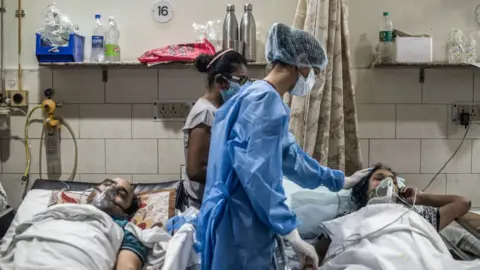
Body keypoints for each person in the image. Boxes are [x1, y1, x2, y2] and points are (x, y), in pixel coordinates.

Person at [196, 22, 371, 270]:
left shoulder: (259, 97)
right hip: (239, 225)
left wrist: (338, 180)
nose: (312, 77)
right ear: (300, 62)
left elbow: (290, 157)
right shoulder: (264, 102)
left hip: (236, 220)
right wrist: (291, 232)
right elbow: (258, 175)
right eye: (313, 70)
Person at [312, 163, 472, 267]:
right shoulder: (346, 216)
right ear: (363, 188)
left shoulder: (417, 215)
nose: (387, 183)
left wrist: (421, 197)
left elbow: (462, 203)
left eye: (393, 181)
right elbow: (315, 253)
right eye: (378, 179)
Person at [0, 178, 147, 270]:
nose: (110, 190)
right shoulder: (55, 210)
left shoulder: (124, 228)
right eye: (107, 184)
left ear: (126, 212)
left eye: (121, 194)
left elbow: (127, 266)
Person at [182, 49, 249, 209]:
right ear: (221, 82)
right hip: (203, 204)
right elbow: (195, 170)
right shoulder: (205, 113)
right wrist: (236, 175)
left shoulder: (220, 109)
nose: (244, 87)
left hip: (216, 196)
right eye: (240, 81)